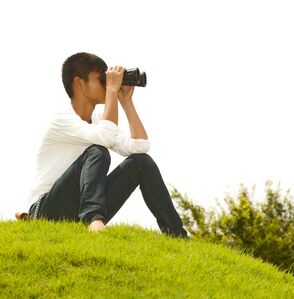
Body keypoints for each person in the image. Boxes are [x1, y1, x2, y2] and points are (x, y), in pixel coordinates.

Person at [19, 52, 188, 237]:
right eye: (102, 78)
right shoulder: (62, 119)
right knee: (97, 151)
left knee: (142, 163)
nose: (107, 83)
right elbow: (105, 139)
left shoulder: (100, 121)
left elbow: (140, 146)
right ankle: (94, 219)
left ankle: (177, 235)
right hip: (46, 210)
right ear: (79, 83)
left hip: (78, 209)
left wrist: (126, 102)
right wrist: (113, 92)